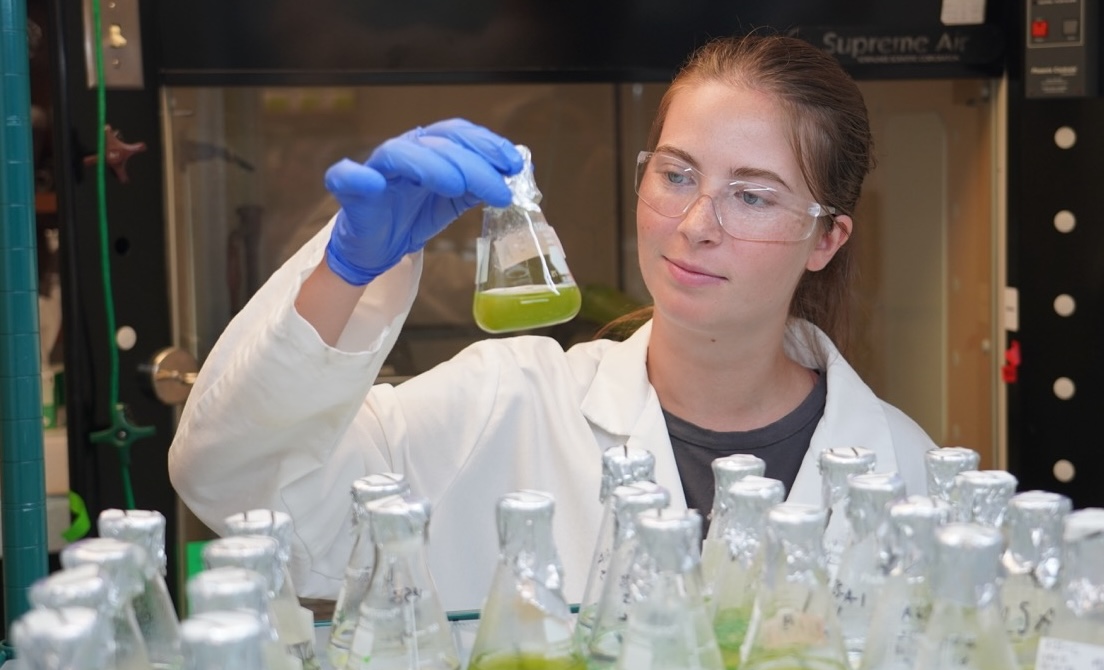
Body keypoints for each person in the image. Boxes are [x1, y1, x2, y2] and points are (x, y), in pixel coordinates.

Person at [168, 32, 935, 612]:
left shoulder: (906, 471)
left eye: (753, 195)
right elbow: (236, 485)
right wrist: (347, 269)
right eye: (676, 175)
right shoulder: (507, 403)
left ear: (826, 239)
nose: (695, 223)